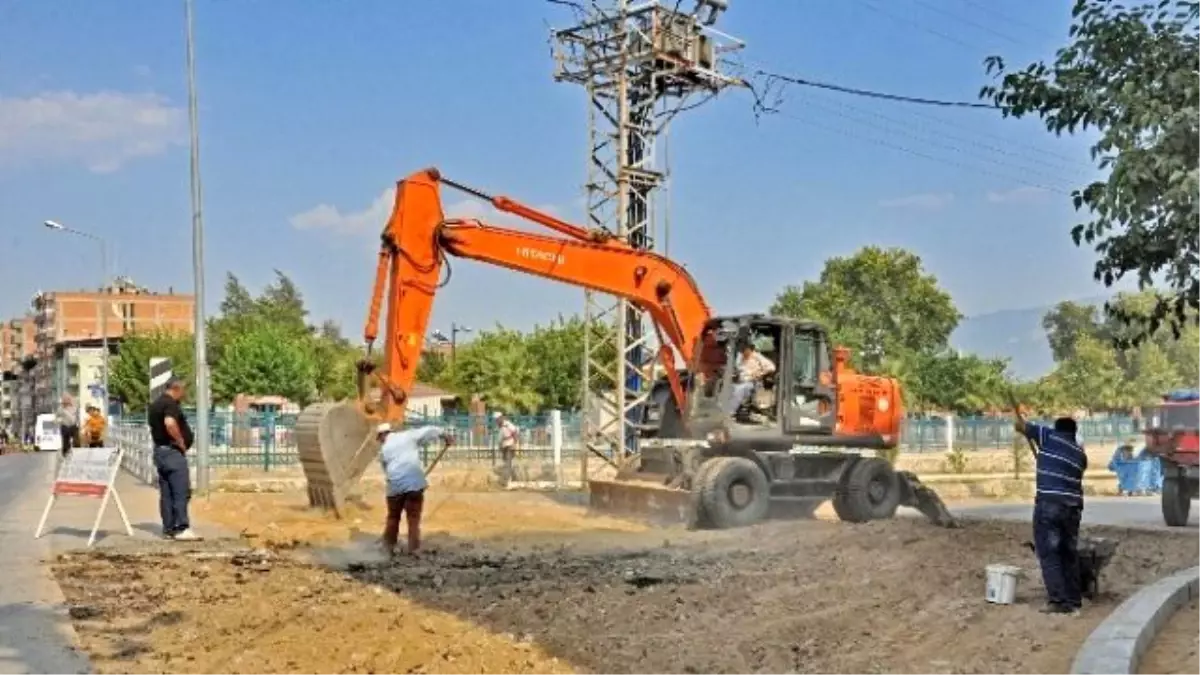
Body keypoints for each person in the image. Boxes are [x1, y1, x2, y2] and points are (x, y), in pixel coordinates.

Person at [1014, 411, 1087, 615]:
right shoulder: (1080, 455)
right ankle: (1074, 599)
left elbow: (1022, 427)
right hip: (1073, 508)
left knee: (1049, 552)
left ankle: (1059, 601)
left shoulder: (1048, 437)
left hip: (1049, 504)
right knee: (1068, 553)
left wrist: (1020, 425)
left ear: (1058, 429)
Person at [377, 422, 453, 557]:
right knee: (413, 519)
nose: (380, 441)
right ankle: (414, 549)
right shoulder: (408, 436)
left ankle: (388, 546)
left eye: (379, 439)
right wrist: (445, 435)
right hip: (414, 486)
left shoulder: (383, 450)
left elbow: (386, 471)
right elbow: (430, 429)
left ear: (382, 435)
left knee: (393, 518)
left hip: (395, 488)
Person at [148, 378, 200, 541]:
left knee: (167, 492)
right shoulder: (170, 404)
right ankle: (181, 527)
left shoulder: (155, 404)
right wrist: (181, 442)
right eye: (184, 391)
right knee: (180, 491)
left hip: (160, 452)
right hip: (172, 453)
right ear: (177, 389)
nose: (184, 395)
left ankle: (168, 527)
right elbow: (170, 423)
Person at [724, 341, 776, 415]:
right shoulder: (740, 358)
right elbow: (738, 370)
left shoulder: (757, 356)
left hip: (753, 383)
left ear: (749, 349)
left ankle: (729, 412)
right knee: (727, 387)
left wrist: (760, 374)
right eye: (741, 349)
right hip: (740, 381)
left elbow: (771, 367)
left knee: (740, 389)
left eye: (744, 349)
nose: (742, 351)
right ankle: (722, 409)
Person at [493, 411, 520, 487]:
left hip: (510, 444)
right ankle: (513, 478)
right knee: (506, 462)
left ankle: (506, 481)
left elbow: (515, 432)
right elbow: (500, 437)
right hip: (504, 445)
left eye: (497, 419)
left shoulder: (508, 424)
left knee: (507, 462)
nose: (497, 420)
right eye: (496, 419)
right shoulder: (499, 426)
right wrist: (500, 446)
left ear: (501, 417)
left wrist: (515, 444)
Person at [55, 393, 79, 458]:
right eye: (65, 399)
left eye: (68, 399)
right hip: (65, 426)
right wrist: (59, 421)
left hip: (73, 426)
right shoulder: (60, 409)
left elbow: (77, 416)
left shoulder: (74, 407)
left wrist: (78, 423)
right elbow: (57, 417)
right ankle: (65, 454)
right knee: (65, 441)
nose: (66, 401)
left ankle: (76, 452)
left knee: (76, 441)